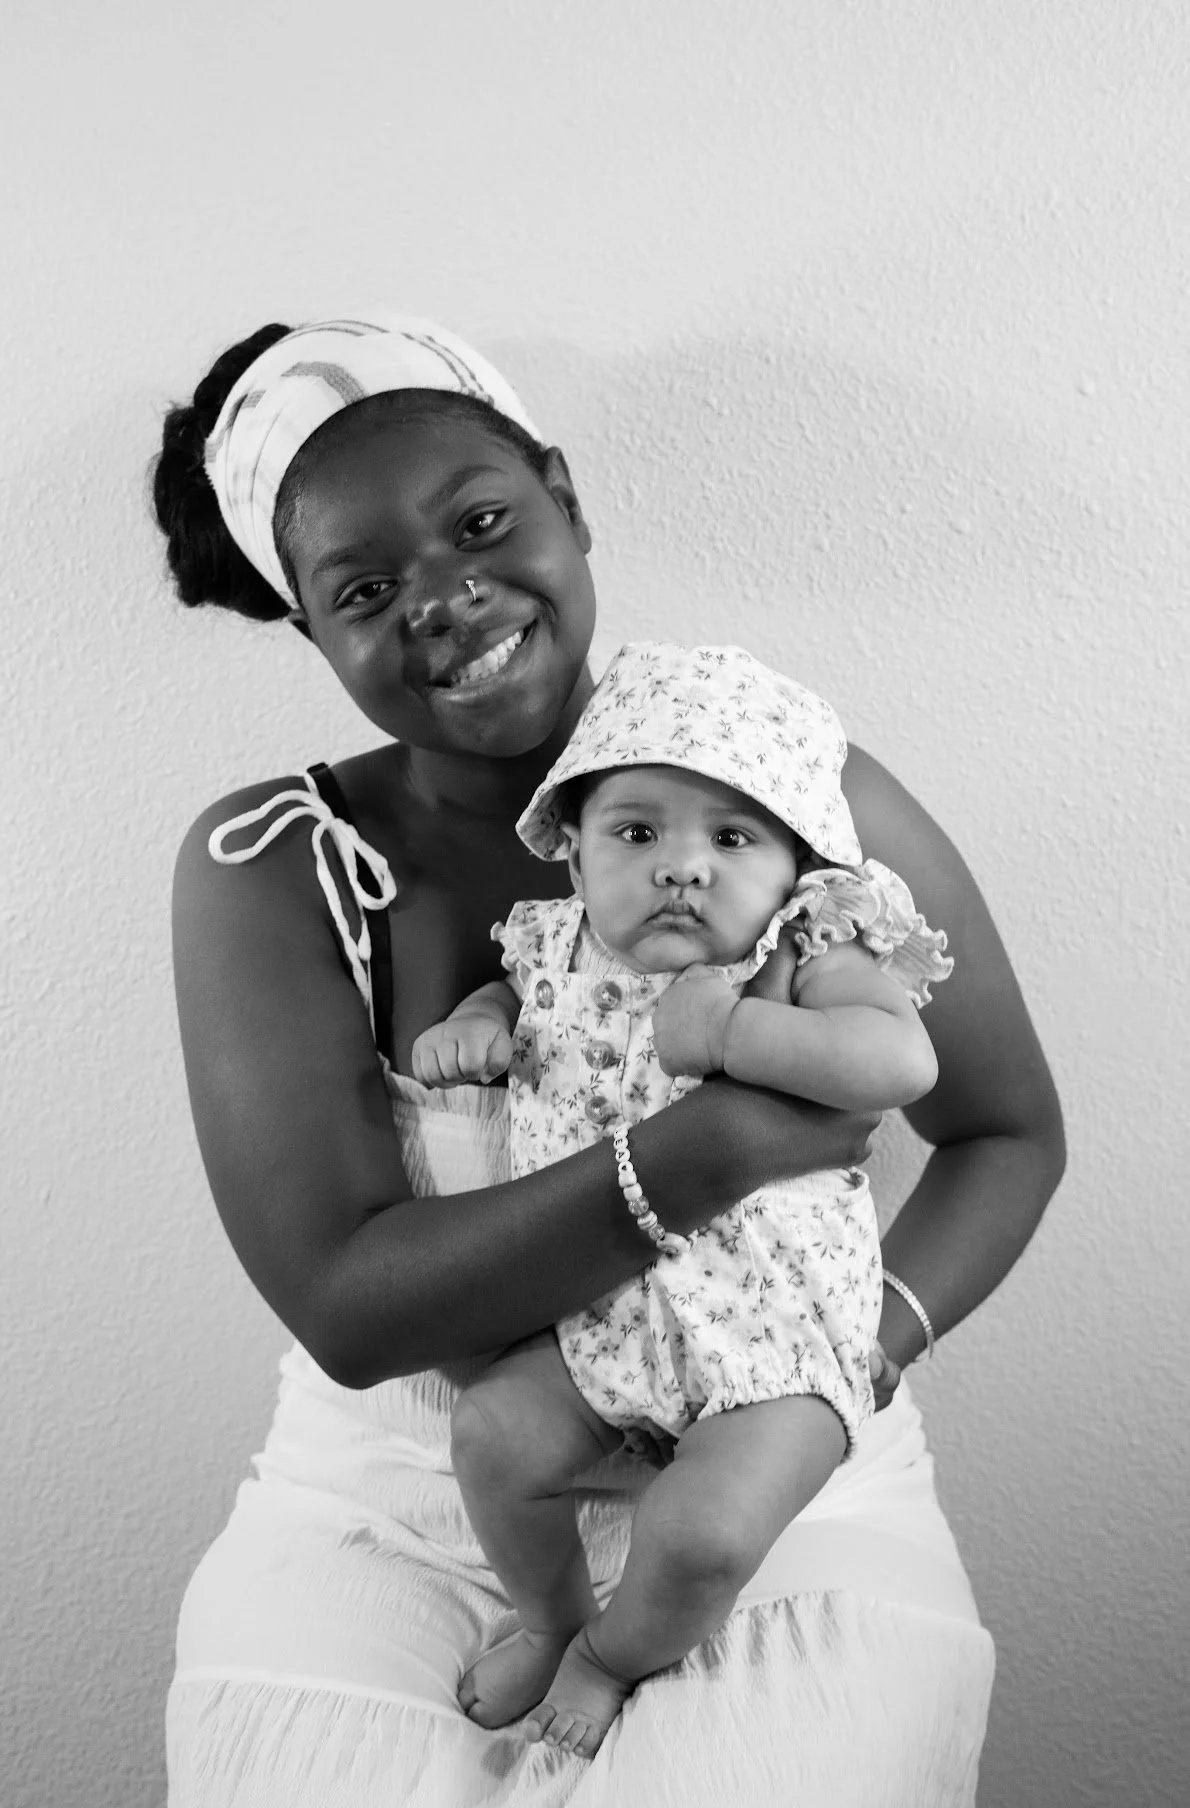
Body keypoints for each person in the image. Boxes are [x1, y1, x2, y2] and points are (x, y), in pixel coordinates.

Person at [154, 311, 1064, 1806]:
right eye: (365, 588)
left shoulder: (792, 786)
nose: (444, 598)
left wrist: (853, 1355)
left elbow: (1004, 1131)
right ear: (309, 628)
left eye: (480, 524)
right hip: (403, 1495)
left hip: (772, 1465)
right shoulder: (277, 863)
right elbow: (351, 1307)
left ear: (566, 501)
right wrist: (709, 1146)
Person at [413, 640, 955, 1757]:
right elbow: (509, 997)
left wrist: (734, 1029)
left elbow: (899, 1062)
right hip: (593, 1324)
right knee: (493, 1438)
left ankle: (612, 1654)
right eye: (636, 832)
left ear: (799, 865)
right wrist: (477, 1024)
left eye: (733, 837)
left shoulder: (805, 953)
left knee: (706, 1536)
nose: (682, 868)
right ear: (572, 851)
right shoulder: (548, 945)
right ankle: (553, 1617)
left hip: (775, 1344)